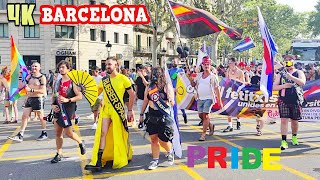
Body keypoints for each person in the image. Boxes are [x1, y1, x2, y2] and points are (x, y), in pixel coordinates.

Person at [85, 57, 135, 171]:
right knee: (103, 133)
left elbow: (132, 94)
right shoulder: (104, 80)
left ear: (116, 65)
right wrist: (85, 89)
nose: (107, 66)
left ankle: (122, 156)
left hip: (117, 110)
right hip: (106, 110)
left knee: (118, 134)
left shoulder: (124, 79)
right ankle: (98, 160)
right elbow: (96, 92)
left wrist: (130, 110)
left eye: (110, 64)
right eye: (106, 64)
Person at [138, 67, 175, 170]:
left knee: (163, 139)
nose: (154, 75)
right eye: (153, 73)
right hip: (152, 115)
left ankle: (169, 151)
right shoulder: (150, 86)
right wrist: (141, 115)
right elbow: (145, 100)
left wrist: (171, 100)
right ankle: (155, 160)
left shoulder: (167, 86)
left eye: (156, 73)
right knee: (154, 139)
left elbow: (172, 103)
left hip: (163, 115)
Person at [50, 60, 86, 163]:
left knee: (68, 132)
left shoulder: (72, 82)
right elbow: (54, 95)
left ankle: (80, 142)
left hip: (68, 109)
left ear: (68, 69)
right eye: (60, 67)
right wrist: (52, 105)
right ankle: (59, 153)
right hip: (57, 108)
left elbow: (79, 96)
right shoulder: (57, 81)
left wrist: (68, 100)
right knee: (58, 132)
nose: (61, 69)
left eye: (63, 67)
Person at [273, 55, 306, 150]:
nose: (288, 62)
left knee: (294, 121)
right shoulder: (281, 74)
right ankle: (284, 141)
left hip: (295, 99)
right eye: (286, 60)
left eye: (290, 60)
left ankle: (294, 137)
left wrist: (291, 77)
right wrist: (284, 86)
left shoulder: (299, 72)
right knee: (284, 120)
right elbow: (274, 87)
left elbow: (302, 83)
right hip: (283, 99)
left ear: (293, 61)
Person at [8, 62, 48, 142]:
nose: (34, 68)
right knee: (24, 116)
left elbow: (43, 90)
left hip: (38, 99)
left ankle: (44, 133)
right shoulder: (29, 76)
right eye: (32, 66)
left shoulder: (42, 77)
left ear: (39, 68)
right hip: (29, 98)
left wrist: (31, 90)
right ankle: (20, 135)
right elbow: (21, 86)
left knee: (41, 116)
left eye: (36, 66)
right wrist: (20, 76)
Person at [194, 57, 223, 141]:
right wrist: (191, 79)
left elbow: (217, 89)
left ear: (210, 66)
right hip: (200, 98)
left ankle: (203, 134)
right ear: (202, 66)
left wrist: (219, 101)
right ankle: (210, 125)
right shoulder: (199, 75)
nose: (206, 66)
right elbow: (193, 84)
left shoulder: (213, 77)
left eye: (208, 64)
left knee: (205, 115)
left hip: (209, 98)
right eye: (205, 64)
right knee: (201, 115)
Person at [223, 58, 245, 132]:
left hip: (237, 92)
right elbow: (226, 80)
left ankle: (238, 121)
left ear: (234, 63)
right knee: (228, 108)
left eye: (231, 63)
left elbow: (243, 83)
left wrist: (236, 81)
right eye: (229, 63)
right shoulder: (228, 70)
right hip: (229, 91)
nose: (229, 64)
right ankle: (230, 125)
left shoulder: (240, 72)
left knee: (237, 109)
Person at [168, 58, 188, 124]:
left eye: (175, 61)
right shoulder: (169, 70)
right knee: (174, 104)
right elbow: (168, 79)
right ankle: (175, 118)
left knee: (181, 103)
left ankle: (184, 114)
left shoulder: (181, 70)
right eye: (173, 61)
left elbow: (184, 78)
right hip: (172, 89)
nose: (174, 62)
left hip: (179, 89)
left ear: (178, 62)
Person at [250, 63, 264, 135]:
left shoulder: (266, 78)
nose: (260, 69)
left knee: (262, 115)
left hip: (264, 98)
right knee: (257, 115)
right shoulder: (253, 78)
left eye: (262, 68)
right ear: (256, 69)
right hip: (256, 98)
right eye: (259, 68)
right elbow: (251, 87)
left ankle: (260, 129)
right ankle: (258, 125)